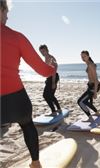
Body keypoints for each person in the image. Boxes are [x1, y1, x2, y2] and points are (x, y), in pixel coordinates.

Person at [0, 1, 57, 167]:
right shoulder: (17, 37)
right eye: (6, 12)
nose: (7, 17)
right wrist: (52, 67)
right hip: (17, 99)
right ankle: (36, 163)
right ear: (1, 9)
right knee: (27, 125)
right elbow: (43, 70)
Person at [77, 51, 100, 122]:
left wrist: (95, 93)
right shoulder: (89, 64)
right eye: (81, 56)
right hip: (91, 86)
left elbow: (96, 80)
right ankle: (97, 113)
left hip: (94, 86)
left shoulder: (90, 65)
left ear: (88, 56)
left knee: (80, 102)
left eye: (84, 56)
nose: (83, 58)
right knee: (87, 102)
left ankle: (90, 117)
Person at [39, 45, 61, 116]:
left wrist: (53, 82)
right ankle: (59, 109)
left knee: (45, 95)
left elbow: (55, 68)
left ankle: (54, 111)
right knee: (51, 95)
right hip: (50, 78)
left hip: (53, 77)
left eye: (43, 51)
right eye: (41, 52)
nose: (42, 53)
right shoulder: (46, 58)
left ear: (47, 50)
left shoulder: (50, 57)